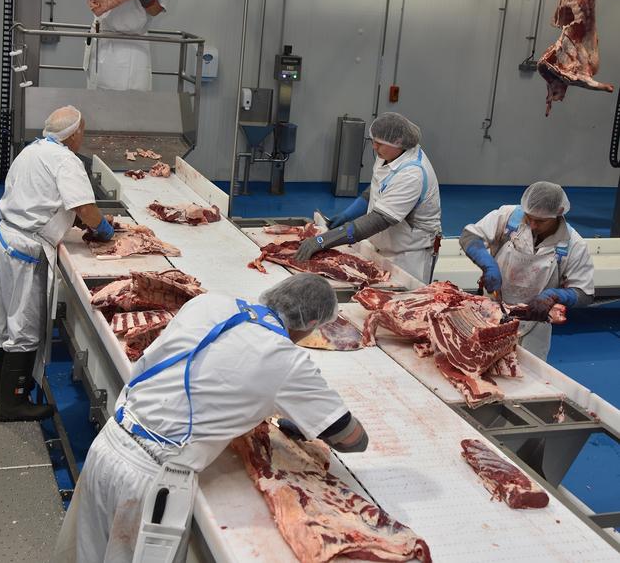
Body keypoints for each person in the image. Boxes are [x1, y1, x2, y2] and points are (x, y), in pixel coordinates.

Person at [54, 273, 368, 563]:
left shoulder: (209, 302)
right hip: (151, 480)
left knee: (86, 555)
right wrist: (307, 422)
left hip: (110, 442)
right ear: (312, 322)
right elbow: (352, 440)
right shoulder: (287, 360)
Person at [0, 106, 114, 422]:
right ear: (74, 133)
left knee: (2, 319)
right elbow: (85, 209)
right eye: (83, 130)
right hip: (26, 249)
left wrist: (67, 221)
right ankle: (12, 403)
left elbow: (39, 196)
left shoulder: (32, 151)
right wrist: (105, 229)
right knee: (23, 324)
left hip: (4, 237)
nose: (84, 136)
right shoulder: (67, 161)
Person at [295, 112, 442, 283]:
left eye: (379, 143)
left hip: (410, 255)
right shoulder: (388, 155)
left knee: (403, 302)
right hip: (384, 244)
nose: (374, 147)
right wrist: (347, 214)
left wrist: (321, 241)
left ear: (398, 144)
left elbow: (379, 220)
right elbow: (376, 188)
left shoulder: (412, 174)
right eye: (373, 141)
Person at [460, 181, 595, 360]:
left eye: (540, 221)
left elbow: (584, 292)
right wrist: (488, 264)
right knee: (479, 363)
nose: (532, 225)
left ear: (558, 213)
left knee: (525, 376)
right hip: (491, 309)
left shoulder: (573, 244)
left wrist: (554, 296)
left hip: (535, 322)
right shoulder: (508, 217)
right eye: (528, 217)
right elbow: (470, 236)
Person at [85, 0, 172, 91]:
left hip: (133, 44)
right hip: (104, 39)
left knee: (133, 102)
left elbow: (155, 10)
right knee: (99, 99)